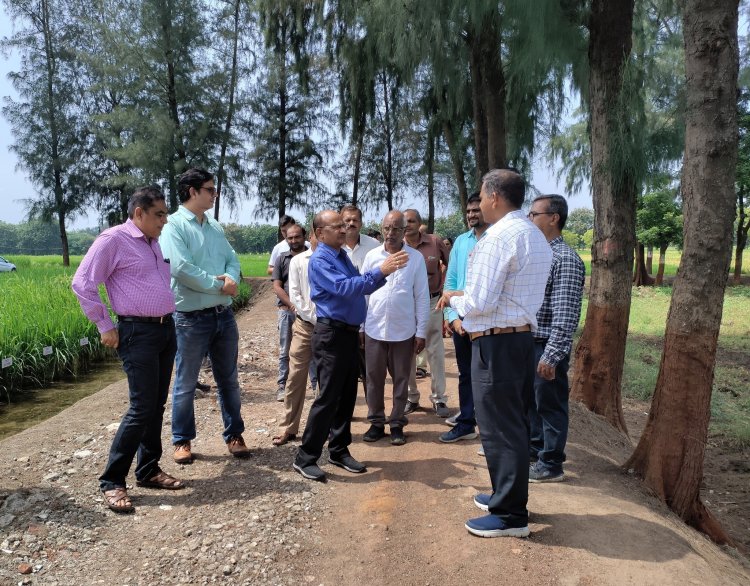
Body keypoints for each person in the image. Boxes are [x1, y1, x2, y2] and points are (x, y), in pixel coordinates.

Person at [439, 169, 552, 538]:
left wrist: (454, 298)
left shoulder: (497, 238)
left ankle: (510, 515)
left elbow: (480, 302)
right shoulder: (534, 234)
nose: (481, 204)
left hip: (496, 342)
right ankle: (506, 495)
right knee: (514, 424)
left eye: (483, 196)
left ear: (494, 197)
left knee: (500, 429)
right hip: (519, 341)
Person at [72, 186, 183, 514]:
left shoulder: (154, 242)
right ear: (139, 213)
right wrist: (104, 324)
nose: (165, 220)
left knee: (157, 404)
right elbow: (82, 283)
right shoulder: (113, 240)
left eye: (165, 214)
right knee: (141, 406)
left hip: (166, 329)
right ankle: (112, 480)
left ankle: (148, 469)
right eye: (159, 214)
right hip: (137, 332)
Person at [293, 210, 408, 482]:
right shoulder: (321, 260)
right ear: (321, 233)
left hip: (347, 334)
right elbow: (346, 288)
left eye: (345, 225)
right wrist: (381, 271)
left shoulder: (341, 255)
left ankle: (338, 449)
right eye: (337, 227)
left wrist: (379, 275)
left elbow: (360, 288)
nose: (344, 230)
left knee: (346, 395)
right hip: (331, 334)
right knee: (328, 397)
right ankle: (306, 456)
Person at [159, 168, 251, 464]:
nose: (214, 194)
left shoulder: (213, 226)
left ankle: (234, 434)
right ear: (192, 191)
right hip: (189, 318)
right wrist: (218, 284)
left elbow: (231, 259)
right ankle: (182, 440)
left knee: (229, 380)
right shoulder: (173, 226)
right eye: (210, 189)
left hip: (222, 315)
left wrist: (232, 280)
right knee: (185, 382)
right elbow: (181, 268)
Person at [527, 194, 585, 483]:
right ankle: (536, 452)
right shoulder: (542, 255)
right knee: (533, 403)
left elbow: (565, 315)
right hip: (531, 342)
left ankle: (551, 463)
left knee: (550, 405)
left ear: (554, 218)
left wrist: (552, 355)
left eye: (534, 214)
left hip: (546, 344)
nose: (530, 219)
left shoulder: (565, 259)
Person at [360, 211, 429, 446]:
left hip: (404, 330)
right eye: (387, 228)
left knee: (401, 379)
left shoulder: (415, 258)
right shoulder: (371, 256)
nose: (390, 233)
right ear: (382, 229)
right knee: (373, 378)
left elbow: (421, 297)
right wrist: (361, 326)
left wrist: (421, 332)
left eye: (396, 229)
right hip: (374, 328)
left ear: (405, 231)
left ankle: (397, 423)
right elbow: (364, 293)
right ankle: (376, 422)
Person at [439, 194, 489, 443]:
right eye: (469, 211)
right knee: (466, 374)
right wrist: (452, 316)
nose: (472, 215)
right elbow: (450, 282)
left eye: (476, 210)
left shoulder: (497, 239)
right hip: (463, 322)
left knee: (490, 377)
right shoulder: (460, 242)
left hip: (490, 323)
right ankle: (467, 422)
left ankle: (491, 432)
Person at [403, 209, 451, 417]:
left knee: (435, 350)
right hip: (405, 305)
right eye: (404, 221)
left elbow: (450, 266)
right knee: (406, 351)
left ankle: (439, 398)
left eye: (412, 221)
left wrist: (445, 294)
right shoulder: (397, 245)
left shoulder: (434, 242)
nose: (408, 225)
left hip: (432, 301)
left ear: (419, 223)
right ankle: (411, 397)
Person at [272, 224, 316, 401]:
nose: (293, 241)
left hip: (309, 313)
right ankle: (282, 386)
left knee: (312, 350)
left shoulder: (313, 257)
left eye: (297, 237)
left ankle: (315, 386)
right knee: (285, 350)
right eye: (290, 238)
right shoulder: (282, 259)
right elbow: (277, 286)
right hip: (287, 312)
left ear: (304, 236)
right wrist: (292, 305)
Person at [340, 204, 380, 393]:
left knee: (369, 370)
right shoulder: (333, 247)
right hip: (340, 318)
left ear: (361, 223)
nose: (351, 223)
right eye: (347, 220)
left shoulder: (373, 246)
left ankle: (373, 411)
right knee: (344, 370)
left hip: (369, 316)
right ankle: (344, 415)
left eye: (355, 220)